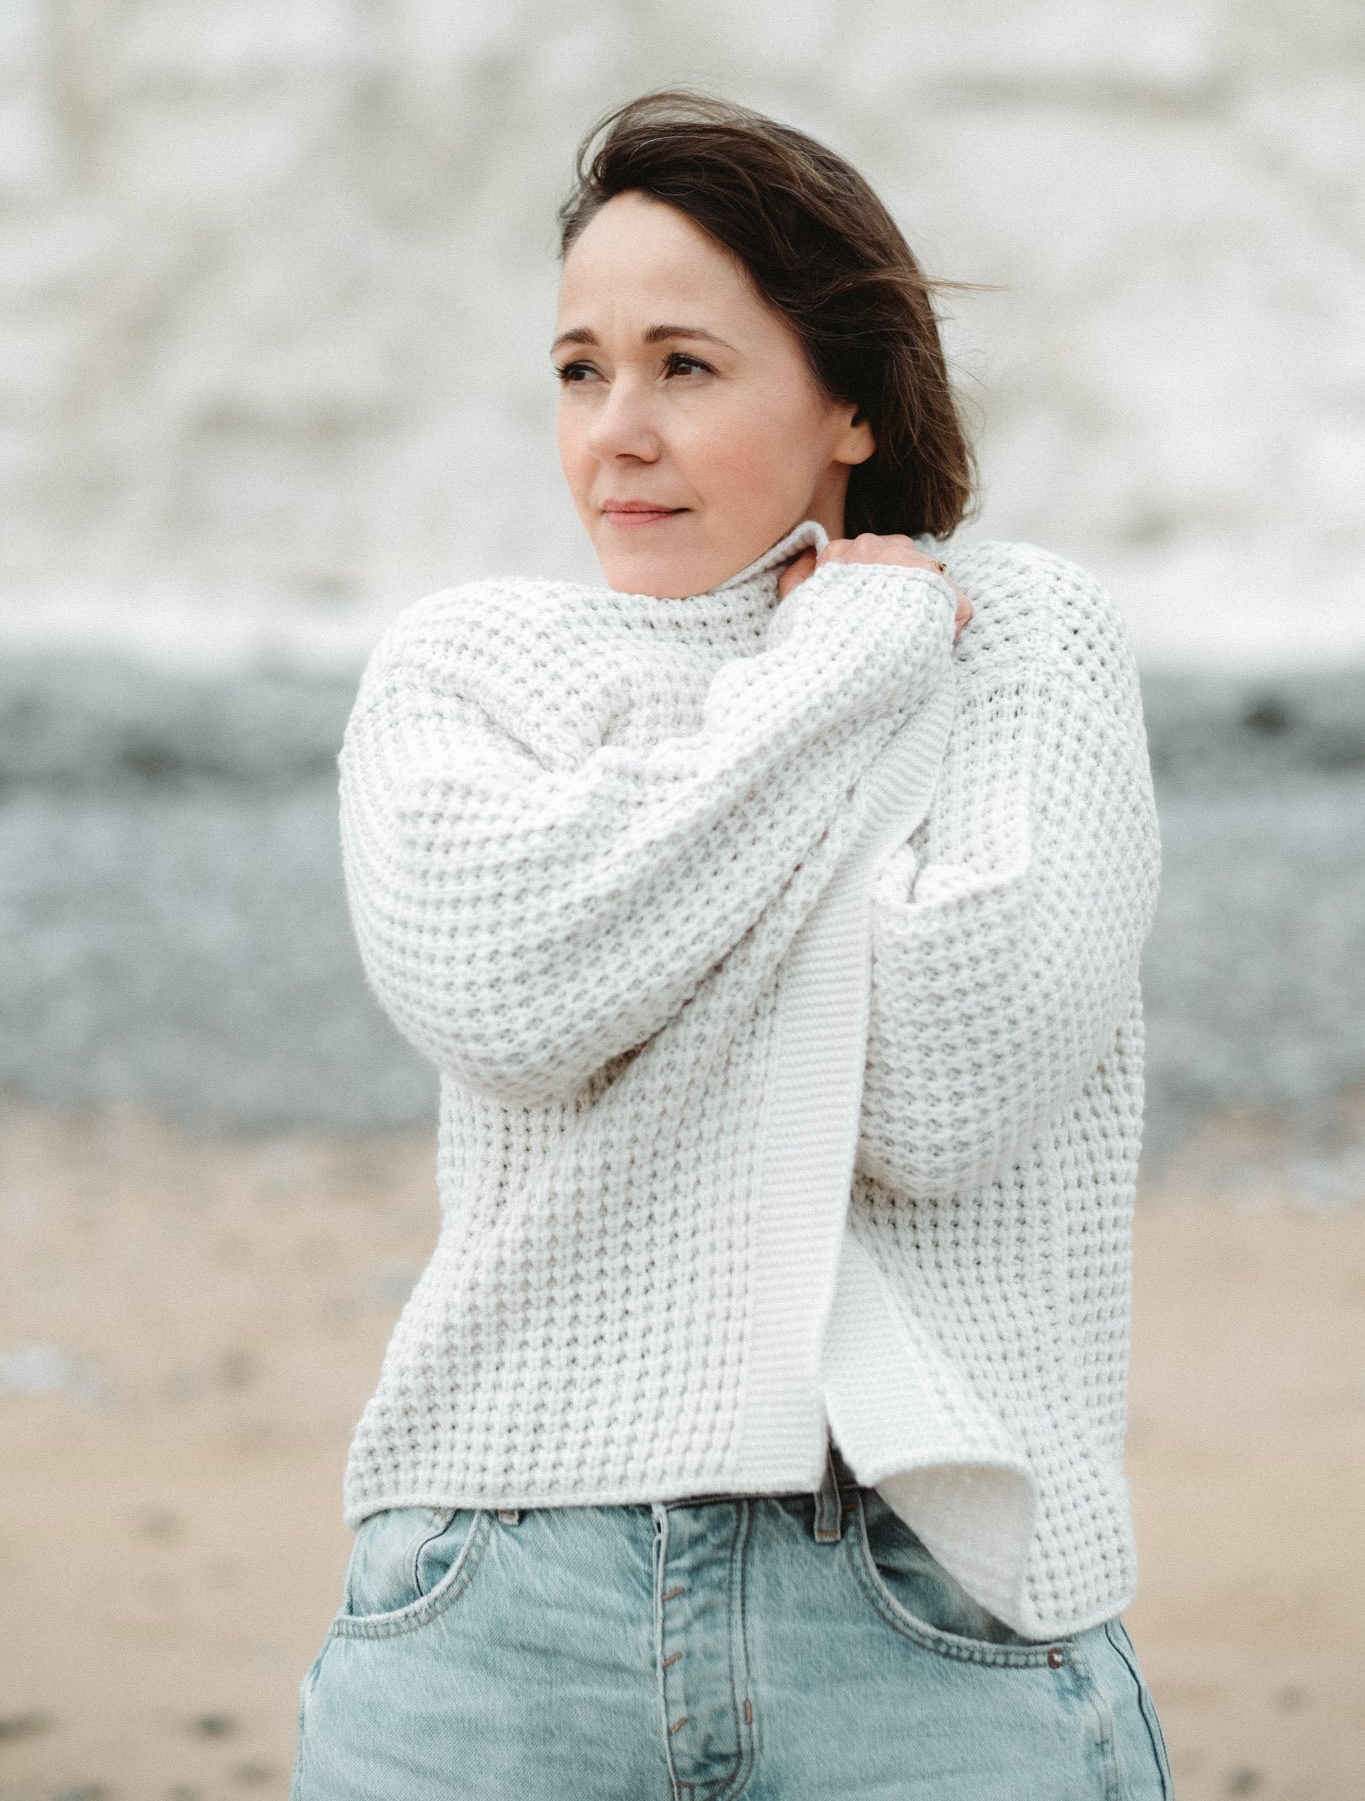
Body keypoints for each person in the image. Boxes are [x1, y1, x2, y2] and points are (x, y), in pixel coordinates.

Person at [289, 92, 1172, 1799]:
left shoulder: (1024, 639)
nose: (615, 431)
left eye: (684, 367)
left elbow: (943, 1085)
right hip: (491, 1602)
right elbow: (506, 984)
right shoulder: (468, 665)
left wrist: (649, 882)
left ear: (848, 395)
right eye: (576, 369)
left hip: (924, 1602)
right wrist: (845, 666)